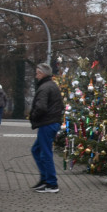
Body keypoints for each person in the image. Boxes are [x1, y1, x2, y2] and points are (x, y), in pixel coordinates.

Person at [29, 63, 64, 193]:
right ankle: (45, 179)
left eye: (38, 73)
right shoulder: (51, 86)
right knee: (36, 150)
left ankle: (51, 183)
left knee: (45, 153)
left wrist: (33, 116)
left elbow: (41, 107)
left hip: (47, 123)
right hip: (51, 122)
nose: (36, 75)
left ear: (43, 73)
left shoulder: (44, 88)